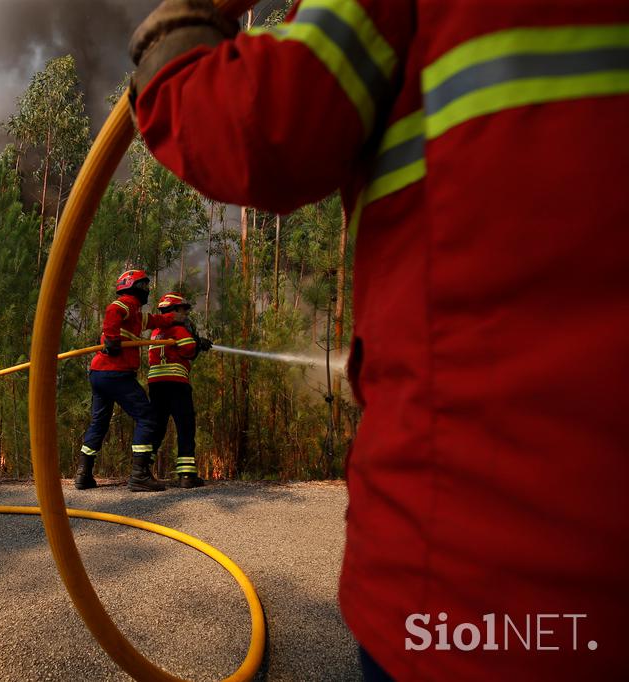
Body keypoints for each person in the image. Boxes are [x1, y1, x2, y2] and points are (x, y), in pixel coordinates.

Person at [128, 0, 629, 679]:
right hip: (544, 550)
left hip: (463, 567)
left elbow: (260, 123)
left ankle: (140, 473)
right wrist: (194, 348)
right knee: (159, 427)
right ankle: (144, 471)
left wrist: (179, 29)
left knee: (155, 429)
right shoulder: (163, 327)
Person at [77, 269, 184, 492]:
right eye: (144, 286)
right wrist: (113, 339)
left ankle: (83, 475)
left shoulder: (135, 314)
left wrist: (173, 318)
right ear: (132, 286)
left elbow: (153, 320)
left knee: (99, 423)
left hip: (99, 374)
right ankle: (139, 476)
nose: (147, 291)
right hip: (116, 373)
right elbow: (112, 311)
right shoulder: (125, 304)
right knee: (147, 416)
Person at [148, 293, 213, 488]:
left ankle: (142, 468)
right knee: (185, 426)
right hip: (176, 383)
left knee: (157, 428)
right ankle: (186, 475)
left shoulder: (155, 332)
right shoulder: (178, 329)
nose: (185, 315)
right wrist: (198, 345)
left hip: (156, 384)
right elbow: (188, 351)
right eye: (183, 310)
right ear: (174, 310)